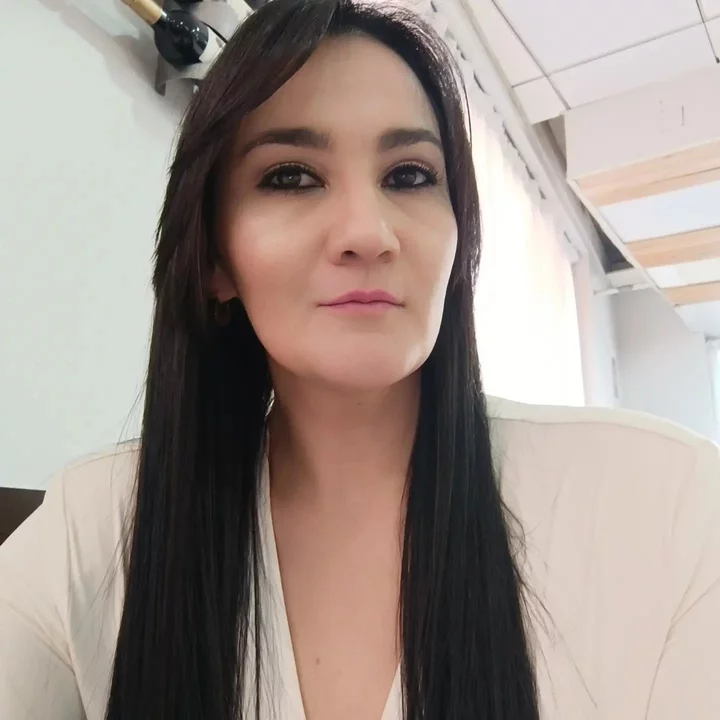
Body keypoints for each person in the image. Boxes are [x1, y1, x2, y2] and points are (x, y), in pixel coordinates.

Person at [2, 0, 720, 718]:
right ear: (216, 260)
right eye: (291, 176)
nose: (369, 233)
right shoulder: (94, 531)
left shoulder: (665, 506)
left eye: (409, 176)